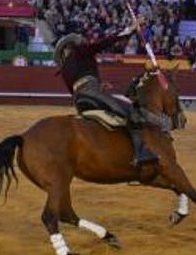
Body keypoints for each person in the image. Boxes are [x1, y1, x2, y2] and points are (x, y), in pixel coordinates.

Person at [53, 24, 158, 168]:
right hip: (92, 93)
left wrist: (99, 86)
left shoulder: (64, 68)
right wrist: (128, 31)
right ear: (74, 45)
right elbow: (104, 43)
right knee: (129, 111)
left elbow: (78, 85)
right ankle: (140, 152)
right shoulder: (80, 51)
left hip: (79, 101)